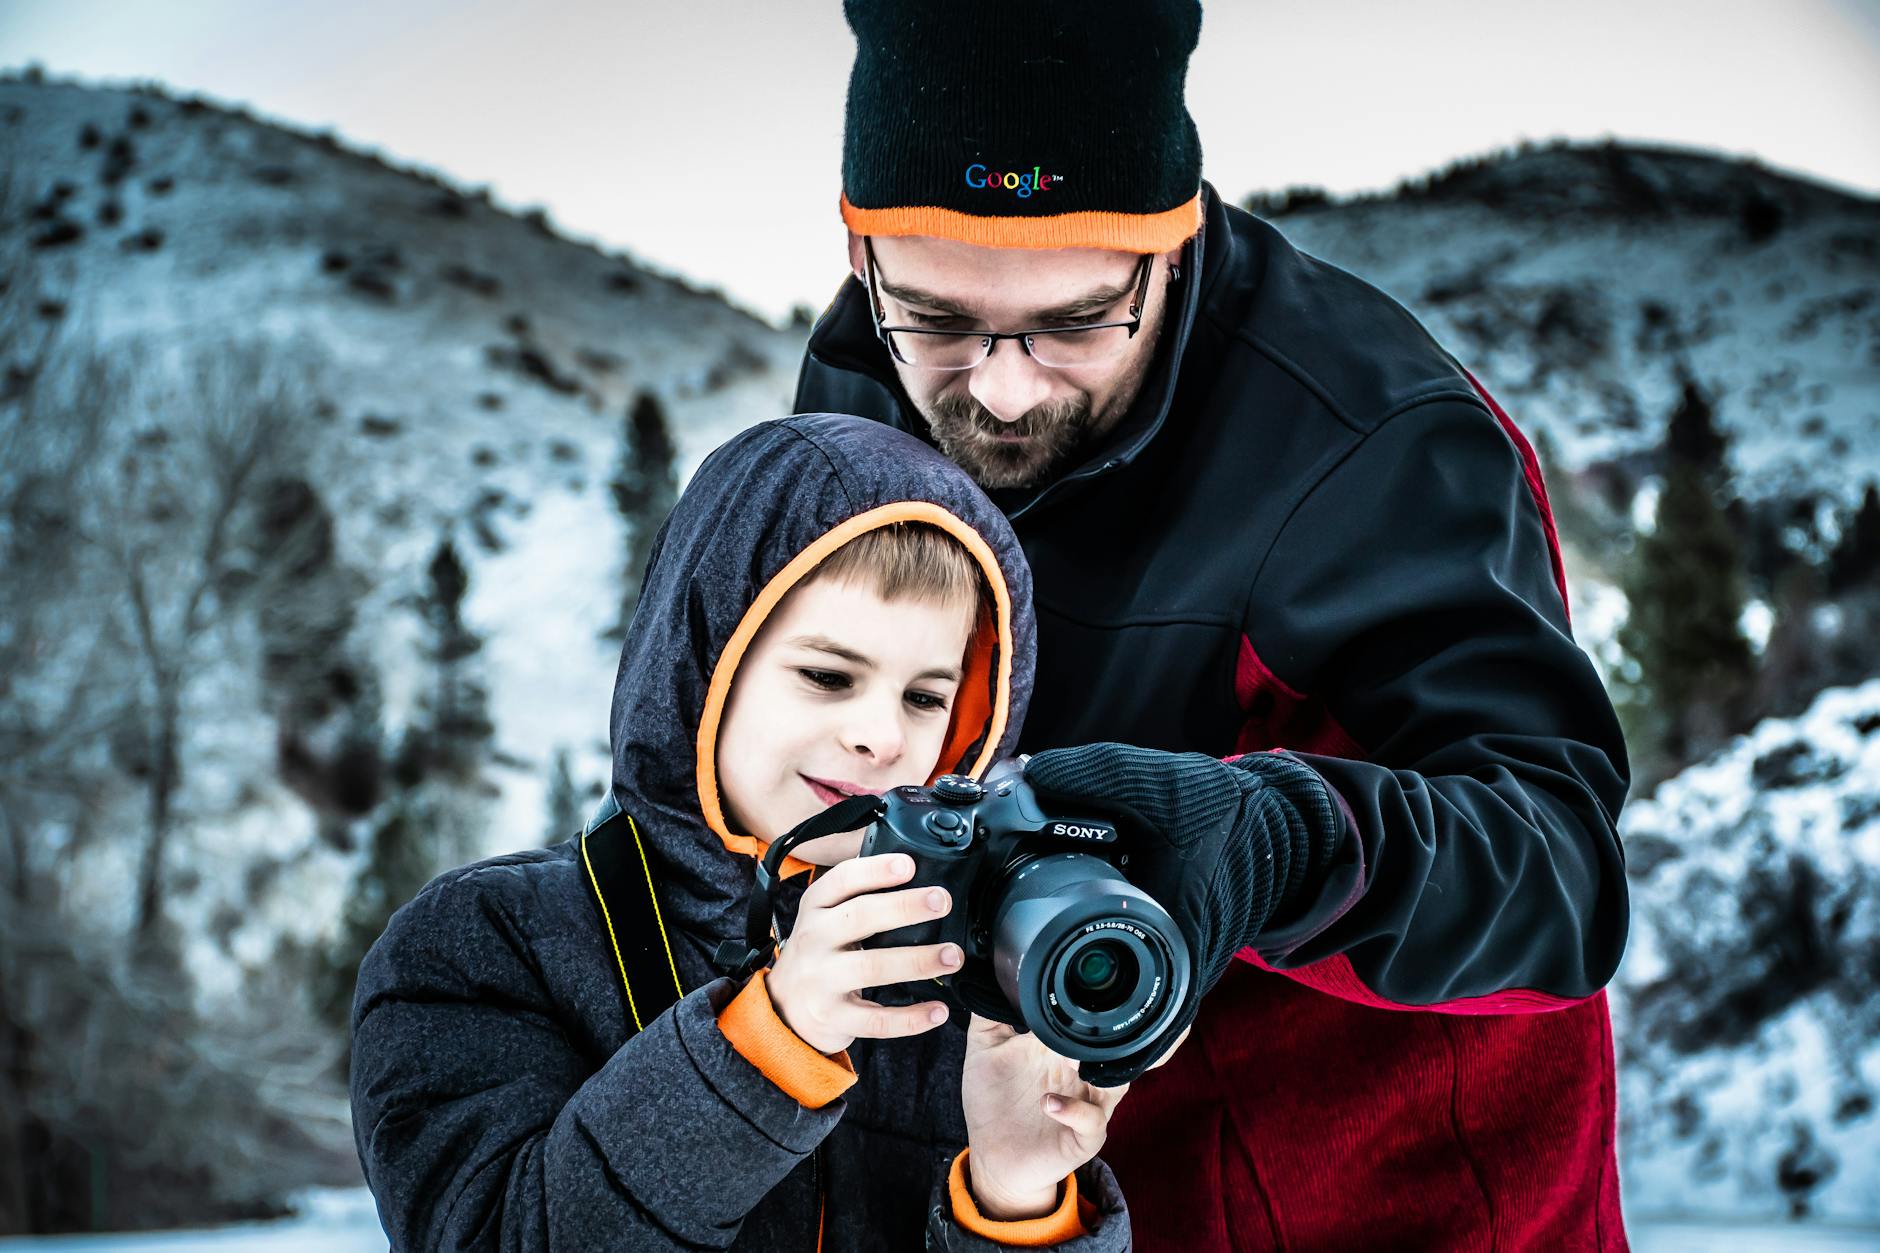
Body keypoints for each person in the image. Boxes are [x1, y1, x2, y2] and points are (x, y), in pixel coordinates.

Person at [792, 3, 1633, 1248]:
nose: (1002, 385)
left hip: (1396, 1209)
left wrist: (1282, 841)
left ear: (1172, 239)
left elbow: (1560, 877)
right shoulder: (864, 380)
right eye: (940, 319)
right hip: (1027, 1194)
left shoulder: (1373, 444)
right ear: (861, 250)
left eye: (1079, 320)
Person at [350, 414, 1141, 1249]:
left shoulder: (968, 984)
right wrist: (770, 1041)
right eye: (828, 675)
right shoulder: (478, 950)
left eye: (924, 696)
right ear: (703, 662)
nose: (883, 736)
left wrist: (1016, 1199)